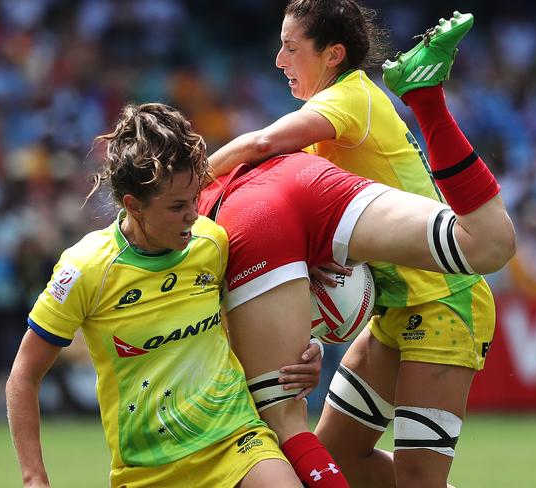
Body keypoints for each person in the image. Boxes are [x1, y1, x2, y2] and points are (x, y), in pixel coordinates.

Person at [208, 1, 498, 486]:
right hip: (395, 311)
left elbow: (260, 146)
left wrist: (190, 184)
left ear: (333, 54)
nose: (279, 60)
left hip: (445, 303)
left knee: (418, 479)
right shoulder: (334, 115)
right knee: (335, 458)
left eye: (291, 47)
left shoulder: (350, 98)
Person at [5, 103, 323, 488]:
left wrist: (301, 352)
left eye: (194, 198)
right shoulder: (86, 269)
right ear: (133, 205)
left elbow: (254, 320)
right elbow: (23, 375)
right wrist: (33, 477)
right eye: (177, 206)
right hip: (148, 471)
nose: (193, 214)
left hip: (236, 442)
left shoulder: (214, 242)